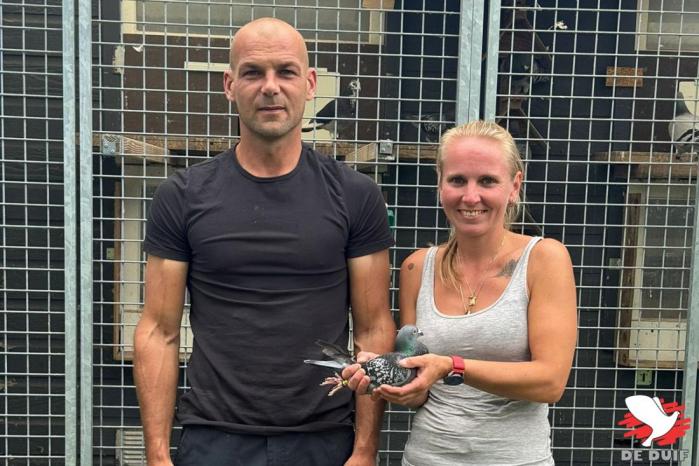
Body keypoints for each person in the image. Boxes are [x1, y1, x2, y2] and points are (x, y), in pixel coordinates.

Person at [133, 17, 396, 466]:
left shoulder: (356, 195)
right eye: (253, 72)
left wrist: (365, 450)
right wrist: (157, 455)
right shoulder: (183, 196)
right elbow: (159, 330)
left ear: (309, 84)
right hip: (215, 438)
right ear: (230, 85)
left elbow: (373, 329)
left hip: (323, 439)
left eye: (285, 72)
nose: (270, 87)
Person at [343, 120, 577, 465]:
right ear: (440, 185)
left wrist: (451, 366)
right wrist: (386, 378)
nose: (470, 196)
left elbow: (550, 382)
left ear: (514, 186)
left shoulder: (544, 259)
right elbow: (420, 390)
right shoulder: (416, 268)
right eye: (457, 180)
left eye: (487, 181)